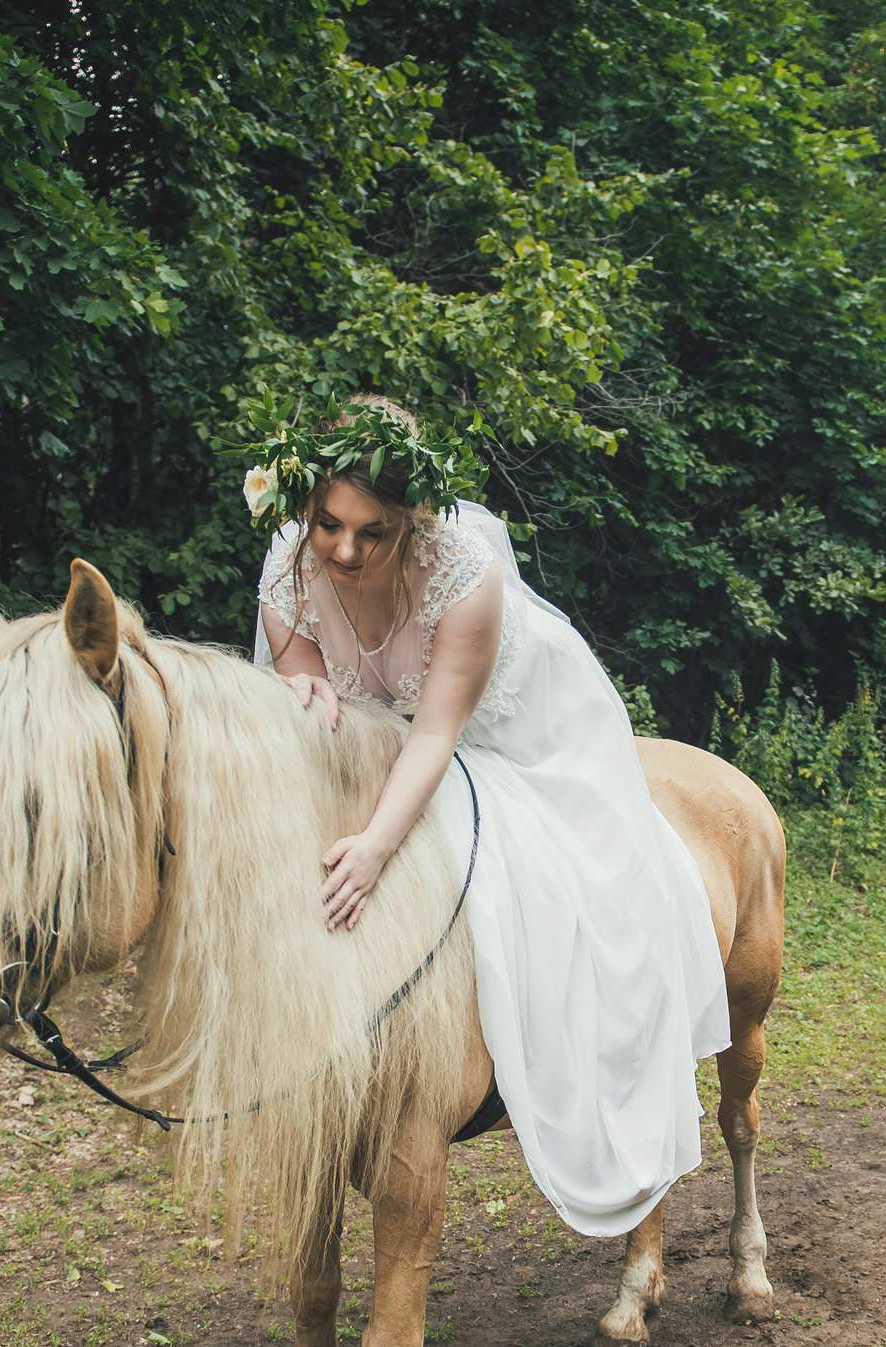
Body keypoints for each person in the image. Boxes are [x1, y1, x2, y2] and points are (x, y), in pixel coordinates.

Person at [247, 397, 729, 1239]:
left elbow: (437, 733)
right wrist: (301, 683)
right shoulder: (289, 558)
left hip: (519, 735)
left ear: (415, 521)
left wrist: (373, 850)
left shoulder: (465, 577)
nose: (346, 551)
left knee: (591, 889)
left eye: (375, 533)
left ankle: (583, 1065)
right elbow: (299, 663)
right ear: (305, 503)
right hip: (377, 735)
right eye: (329, 524)